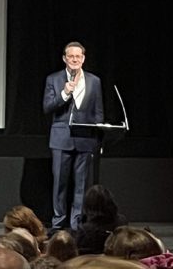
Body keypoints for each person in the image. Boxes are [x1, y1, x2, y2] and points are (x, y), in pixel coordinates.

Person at [43, 42, 103, 230]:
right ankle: (58, 222)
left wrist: (98, 137)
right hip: (61, 139)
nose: (75, 59)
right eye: (71, 56)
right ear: (64, 59)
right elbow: (47, 107)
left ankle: (76, 223)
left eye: (78, 56)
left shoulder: (94, 81)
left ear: (83, 59)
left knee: (81, 185)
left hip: (85, 140)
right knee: (60, 183)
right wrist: (65, 93)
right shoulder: (53, 79)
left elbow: (98, 112)